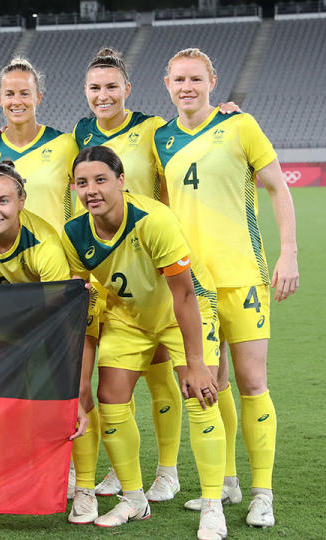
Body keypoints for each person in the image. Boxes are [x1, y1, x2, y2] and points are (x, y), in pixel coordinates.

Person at [153, 48, 299, 528]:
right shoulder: (161, 139)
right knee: (209, 387)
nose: (187, 87)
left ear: (212, 81)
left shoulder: (240, 126)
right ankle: (227, 484)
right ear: (168, 84)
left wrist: (289, 253)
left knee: (253, 382)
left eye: (196, 78)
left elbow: (278, 186)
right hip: (192, 285)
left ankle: (263, 492)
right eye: (179, 79)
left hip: (244, 277)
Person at [61, 145, 227, 539]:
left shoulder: (153, 219)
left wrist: (196, 360)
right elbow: (80, 306)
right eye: (82, 183)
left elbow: (184, 294)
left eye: (101, 180)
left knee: (200, 392)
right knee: (110, 399)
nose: (91, 190)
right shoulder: (74, 233)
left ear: (121, 181)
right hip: (128, 318)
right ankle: (134, 498)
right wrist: (80, 380)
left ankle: (212, 504)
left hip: (182, 310)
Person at [0, 161, 89, 516]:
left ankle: (73, 477)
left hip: (50, 323)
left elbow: (60, 322)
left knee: (54, 401)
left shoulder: (45, 245)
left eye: (3, 201)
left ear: (22, 201)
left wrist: (72, 389)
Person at [0, 58, 78, 233]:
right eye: (9, 94)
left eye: (24, 93)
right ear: (0, 99)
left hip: (55, 255)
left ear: (38, 98)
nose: (16, 101)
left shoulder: (64, 144)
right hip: (4, 258)